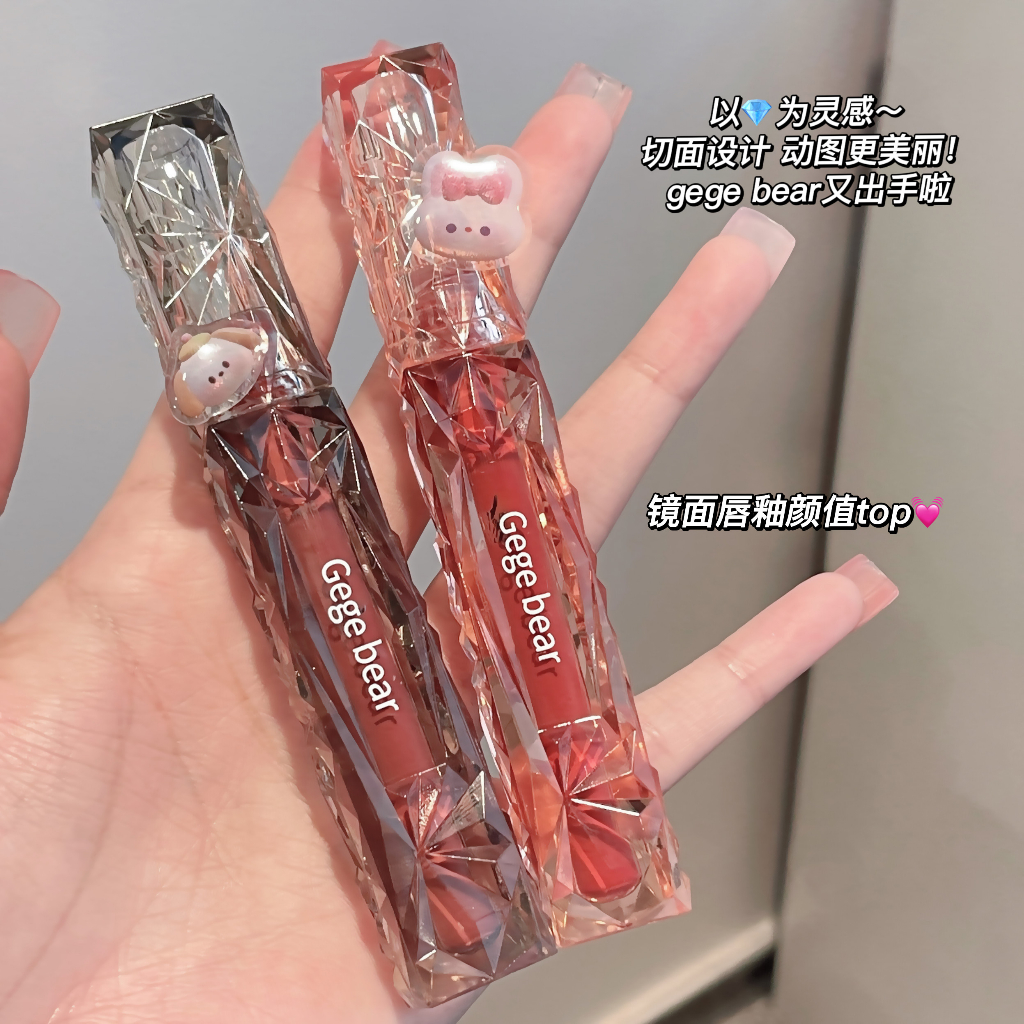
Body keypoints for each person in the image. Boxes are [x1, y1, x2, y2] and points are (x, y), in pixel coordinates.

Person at [0, 57, 896, 1024]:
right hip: (291, 471)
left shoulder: (468, 361)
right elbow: (353, 629)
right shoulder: (272, 437)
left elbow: (523, 574)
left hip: (445, 414)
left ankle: (560, 853)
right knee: (365, 602)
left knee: (502, 563)